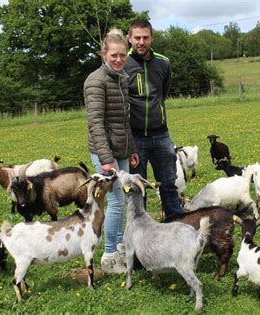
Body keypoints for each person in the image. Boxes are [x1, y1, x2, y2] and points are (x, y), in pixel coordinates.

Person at [83, 28, 139, 274]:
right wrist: (106, 160)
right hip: (105, 153)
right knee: (115, 201)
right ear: (104, 53)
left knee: (125, 198)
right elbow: (95, 124)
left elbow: (124, 120)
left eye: (123, 55)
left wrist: (132, 148)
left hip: (122, 149)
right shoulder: (95, 81)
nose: (118, 59)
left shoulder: (122, 78)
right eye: (114, 55)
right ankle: (108, 255)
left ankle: (119, 246)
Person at [124, 19, 184, 218]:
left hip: (161, 135)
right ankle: (141, 233)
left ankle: (175, 225)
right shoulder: (123, 64)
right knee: (138, 188)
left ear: (152, 38)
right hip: (135, 138)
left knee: (168, 183)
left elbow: (162, 93)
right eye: (137, 38)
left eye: (145, 37)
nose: (141, 42)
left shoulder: (163, 63)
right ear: (129, 39)